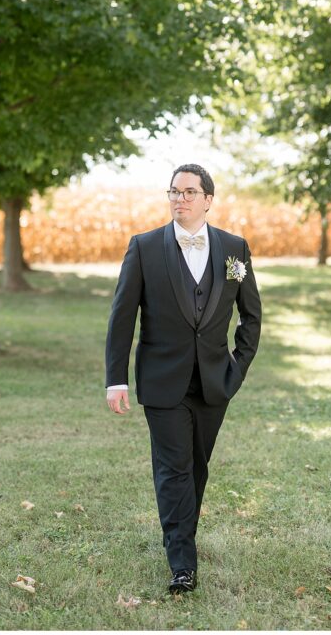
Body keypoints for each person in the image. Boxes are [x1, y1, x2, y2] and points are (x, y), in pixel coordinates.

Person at [105, 163, 261, 594]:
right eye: (174, 192)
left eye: (190, 192)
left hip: (215, 383)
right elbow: (122, 318)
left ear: (208, 200)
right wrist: (115, 378)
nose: (181, 199)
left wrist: (237, 367)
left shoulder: (234, 249)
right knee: (173, 469)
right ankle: (182, 563)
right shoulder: (144, 247)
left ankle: (181, 539)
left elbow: (252, 316)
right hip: (162, 381)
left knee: (196, 469)